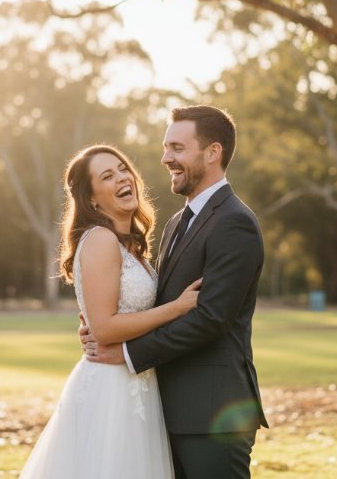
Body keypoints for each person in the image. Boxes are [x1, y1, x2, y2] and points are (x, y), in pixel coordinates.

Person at [83, 105, 268, 479]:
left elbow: (210, 319)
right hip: (165, 409)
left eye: (177, 149)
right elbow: (163, 304)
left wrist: (127, 353)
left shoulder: (235, 222)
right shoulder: (175, 223)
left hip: (213, 414)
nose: (166, 158)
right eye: (166, 148)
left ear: (212, 152)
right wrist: (100, 323)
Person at [20, 144, 202, 479]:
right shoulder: (101, 239)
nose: (122, 178)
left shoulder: (132, 245)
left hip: (139, 379)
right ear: (91, 199)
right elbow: (103, 328)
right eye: (108, 175)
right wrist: (176, 309)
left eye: (123, 169)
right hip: (111, 386)